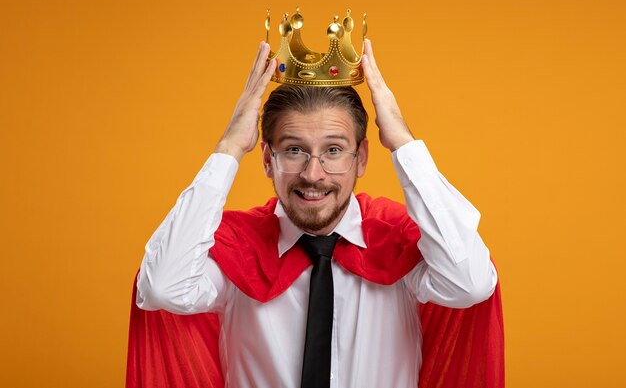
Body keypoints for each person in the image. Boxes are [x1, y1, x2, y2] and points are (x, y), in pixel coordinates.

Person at [127, 39, 504, 388]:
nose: (313, 173)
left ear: (363, 159)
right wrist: (228, 148)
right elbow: (161, 287)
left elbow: (470, 282)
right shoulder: (235, 250)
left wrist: (404, 142)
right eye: (293, 150)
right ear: (266, 159)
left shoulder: (400, 242)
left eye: (334, 151)